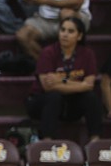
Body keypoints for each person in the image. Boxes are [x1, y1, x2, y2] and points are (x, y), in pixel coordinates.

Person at [25, 15, 102, 144]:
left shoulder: (87, 54)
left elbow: (89, 85)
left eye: (70, 31)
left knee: (91, 97)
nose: (65, 34)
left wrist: (61, 81)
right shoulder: (47, 53)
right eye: (63, 30)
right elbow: (47, 86)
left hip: (71, 104)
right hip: (42, 103)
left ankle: (95, 141)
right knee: (54, 96)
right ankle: (47, 142)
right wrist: (80, 84)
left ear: (79, 36)